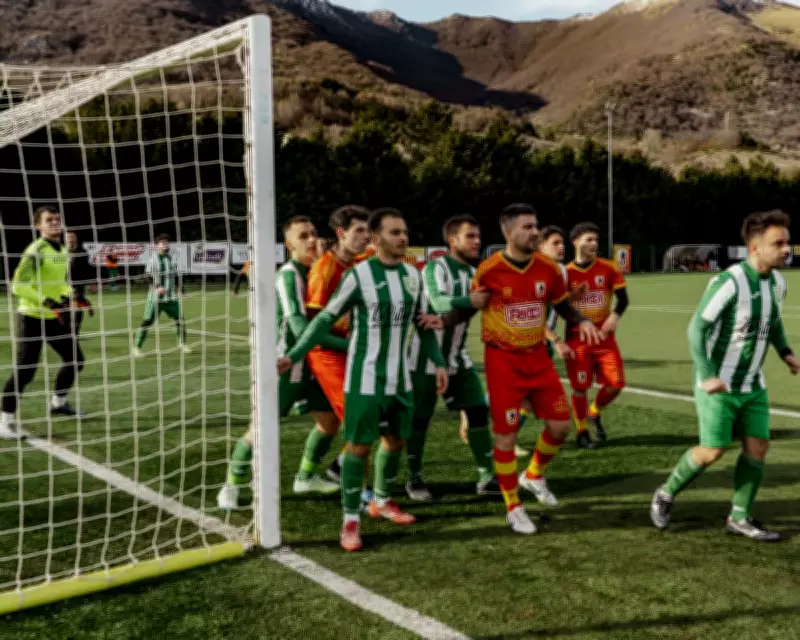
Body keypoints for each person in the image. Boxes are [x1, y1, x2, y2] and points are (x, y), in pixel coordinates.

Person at [278, 208, 447, 552]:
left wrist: (439, 362)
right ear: (376, 238)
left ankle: (381, 502)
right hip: (363, 379)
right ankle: (350, 520)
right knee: (359, 447)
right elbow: (322, 321)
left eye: (405, 231)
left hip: (400, 379)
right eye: (395, 232)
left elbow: (423, 324)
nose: (403, 238)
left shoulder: (413, 276)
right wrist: (293, 356)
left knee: (396, 441)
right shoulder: (358, 276)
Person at [651, 210, 799, 542]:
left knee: (758, 447)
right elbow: (696, 329)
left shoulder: (779, 282)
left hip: (753, 384)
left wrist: (786, 352)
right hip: (718, 384)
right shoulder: (730, 282)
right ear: (755, 247)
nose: (786, 249)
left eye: (787, 242)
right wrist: (707, 375)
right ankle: (666, 492)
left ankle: (739, 517)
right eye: (778, 243)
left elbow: (773, 321)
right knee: (712, 451)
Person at [473, 203, 600, 534]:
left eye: (535, 226)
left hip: (538, 359)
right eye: (527, 227)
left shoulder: (547, 268)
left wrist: (582, 319)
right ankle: (513, 507)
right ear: (507, 232)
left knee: (560, 426)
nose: (534, 232)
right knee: (506, 436)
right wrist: (442, 319)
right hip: (503, 362)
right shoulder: (488, 270)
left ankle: (532, 475)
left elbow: (561, 305)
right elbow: (470, 308)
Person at [218, 217, 339, 509]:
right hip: (286, 364)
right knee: (260, 428)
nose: (312, 240)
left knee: (329, 421)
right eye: (303, 236)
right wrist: (350, 345)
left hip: (313, 362)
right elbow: (299, 327)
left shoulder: (319, 272)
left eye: (313, 233)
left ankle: (305, 477)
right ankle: (230, 487)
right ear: (289, 245)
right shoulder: (288, 275)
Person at [405, 215, 499, 501]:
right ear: (452, 240)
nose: (477, 241)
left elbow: (469, 310)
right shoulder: (435, 267)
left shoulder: (474, 273)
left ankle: (487, 476)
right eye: (470, 236)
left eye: (478, 236)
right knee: (419, 421)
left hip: (458, 358)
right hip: (423, 361)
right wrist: (468, 300)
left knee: (478, 411)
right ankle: (414, 479)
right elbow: (437, 301)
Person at [1, 206, 86, 439]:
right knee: (25, 371)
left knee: (75, 360)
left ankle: (58, 403)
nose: (54, 223)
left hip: (52, 318)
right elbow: (18, 286)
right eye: (49, 220)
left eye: (57, 219)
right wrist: (47, 301)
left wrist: (71, 295)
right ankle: (4, 421)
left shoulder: (62, 249)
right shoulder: (35, 250)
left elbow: (59, 282)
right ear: (38, 225)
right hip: (31, 317)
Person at [565, 222, 629, 449]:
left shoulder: (608, 267)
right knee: (580, 387)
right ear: (576, 242)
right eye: (588, 240)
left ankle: (594, 412)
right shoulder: (566, 273)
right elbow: (558, 306)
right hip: (577, 340)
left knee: (616, 384)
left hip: (604, 338)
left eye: (595, 240)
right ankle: (582, 432)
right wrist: (572, 296)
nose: (594, 244)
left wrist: (615, 316)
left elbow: (623, 299)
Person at [133, 234, 191, 357]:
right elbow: (147, 276)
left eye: (167, 242)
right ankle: (136, 347)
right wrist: (157, 287)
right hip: (155, 298)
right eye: (163, 243)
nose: (166, 245)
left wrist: (182, 289)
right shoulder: (153, 259)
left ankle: (182, 344)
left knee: (180, 320)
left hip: (171, 298)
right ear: (157, 246)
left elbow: (175, 276)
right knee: (147, 321)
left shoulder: (171, 258)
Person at [66, 232, 96, 336]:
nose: (71, 240)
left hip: (77, 284)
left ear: (76, 240)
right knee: (64, 308)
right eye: (69, 238)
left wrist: (92, 283)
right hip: (62, 285)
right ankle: (86, 302)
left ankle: (75, 332)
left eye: (72, 238)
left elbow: (88, 268)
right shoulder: (60, 251)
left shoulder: (82, 252)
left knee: (76, 308)